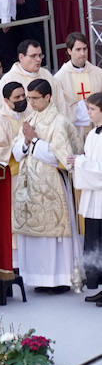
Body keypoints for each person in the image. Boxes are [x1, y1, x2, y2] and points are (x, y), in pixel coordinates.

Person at [13, 79, 77, 291]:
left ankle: (58, 279)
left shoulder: (59, 121)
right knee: (33, 235)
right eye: (29, 98)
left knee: (52, 236)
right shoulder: (31, 118)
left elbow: (63, 157)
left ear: (48, 97)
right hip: (30, 185)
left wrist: (35, 141)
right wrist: (24, 142)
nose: (30, 102)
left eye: (35, 98)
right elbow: (16, 151)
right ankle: (38, 278)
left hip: (52, 185)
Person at [74, 93, 102, 299]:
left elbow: (100, 171)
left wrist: (79, 162)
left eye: (92, 109)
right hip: (93, 199)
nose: (88, 113)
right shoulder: (92, 134)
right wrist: (78, 161)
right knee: (94, 243)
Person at [55, 33, 102, 150]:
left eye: (85, 49)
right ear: (69, 51)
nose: (82, 53)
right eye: (78, 49)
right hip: (76, 131)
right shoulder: (59, 78)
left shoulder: (98, 73)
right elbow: (59, 108)